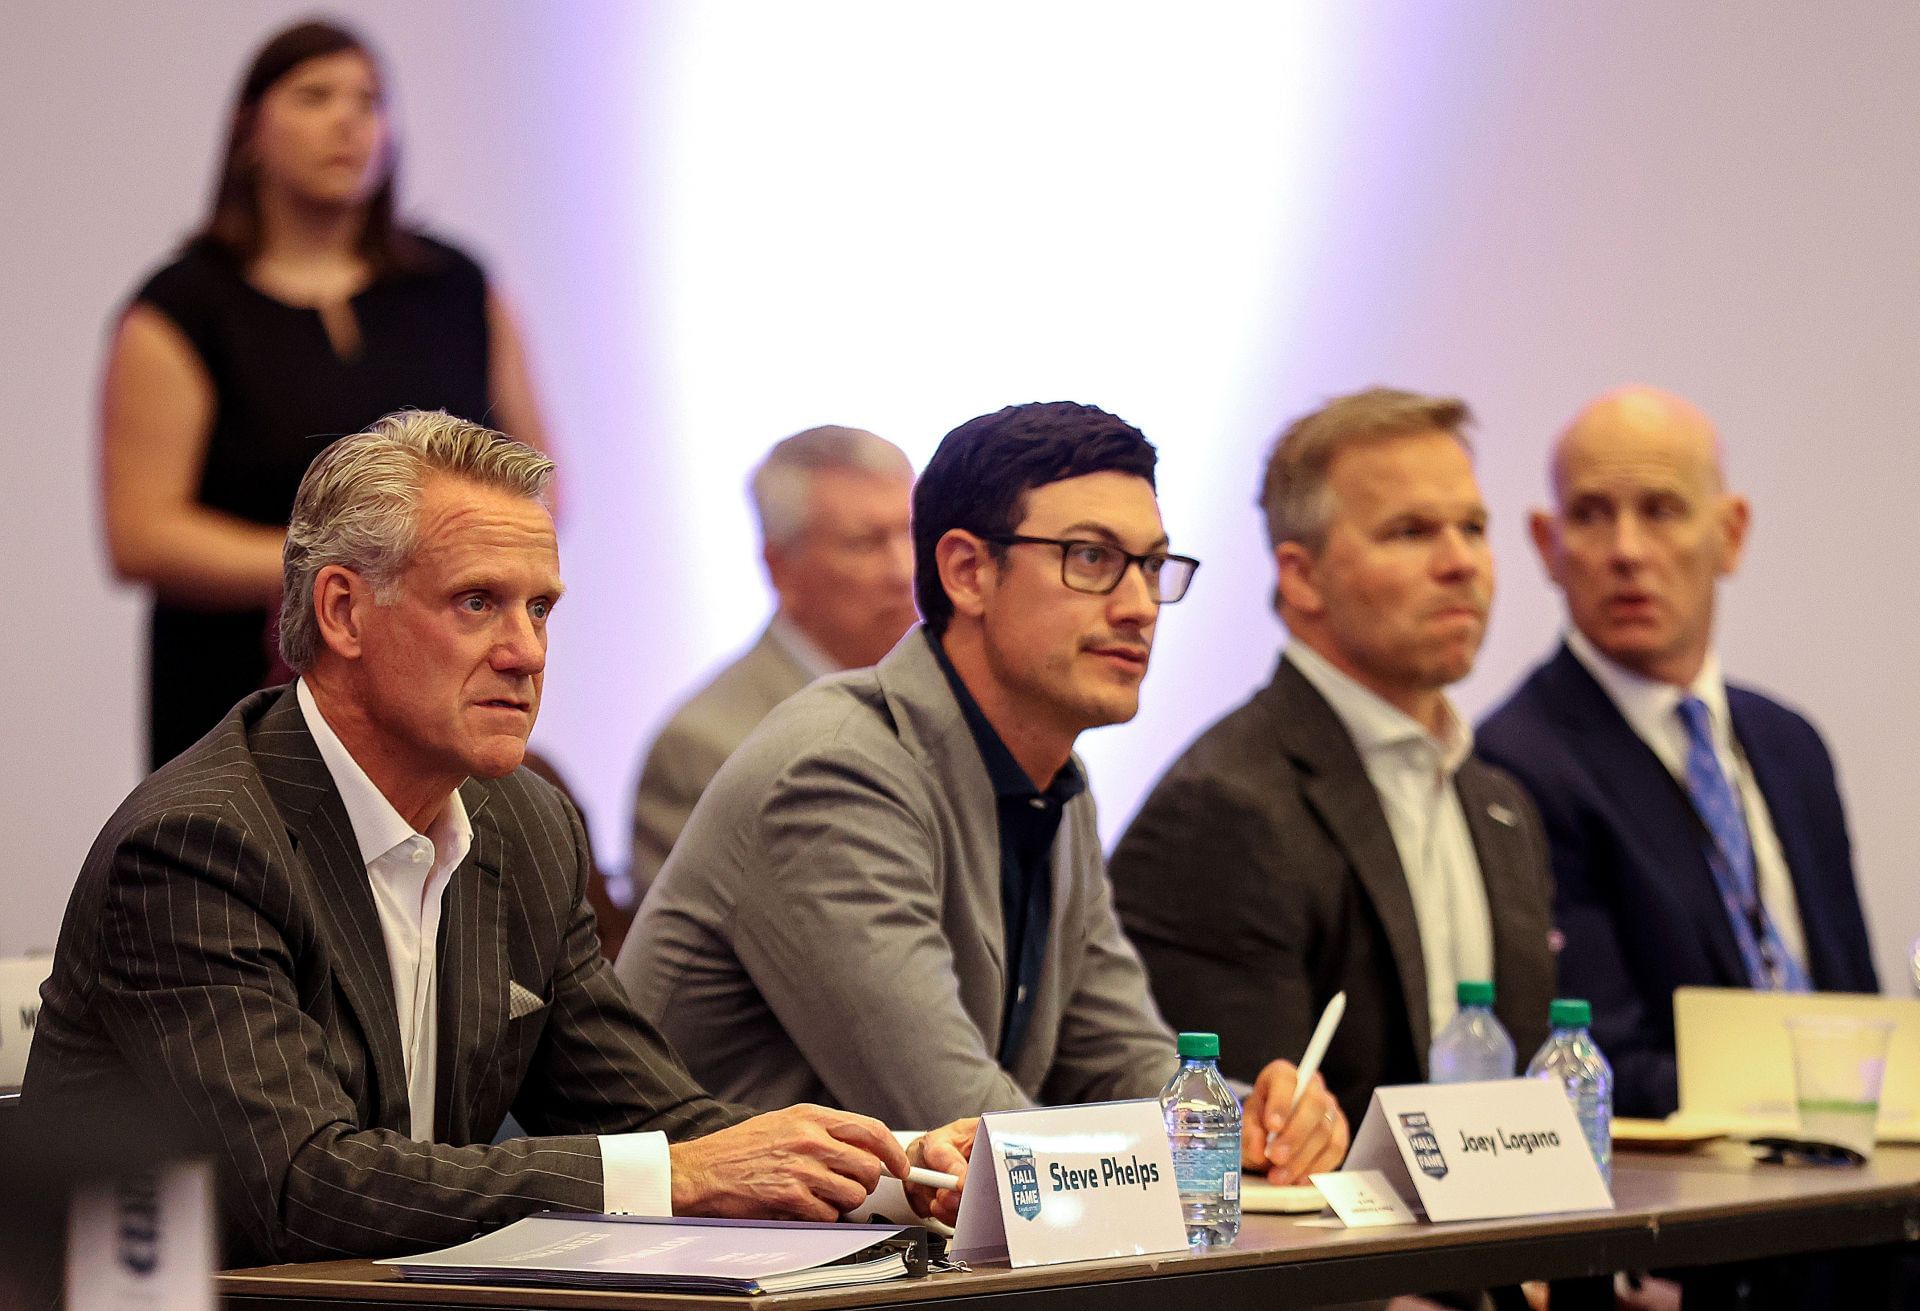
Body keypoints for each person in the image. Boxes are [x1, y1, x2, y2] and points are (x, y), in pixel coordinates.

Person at [26, 412, 965, 1266]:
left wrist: (889, 1167)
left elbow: (658, 1122)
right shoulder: (201, 845)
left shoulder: (525, 822)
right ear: (344, 611)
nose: (526, 651)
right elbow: (302, 1192)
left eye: (541, 607)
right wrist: (676, 1175)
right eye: (477, 602)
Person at [616, 401, 1348, 1185]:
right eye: (1092, 559)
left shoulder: (1052, 776)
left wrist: (1239, 1122)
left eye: (1151, 566)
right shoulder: (832, 772)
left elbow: (1115, 1052)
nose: (1138, 605)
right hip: (719, 1283)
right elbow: (963, 1121)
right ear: (968, 571)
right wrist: (1179, 1157)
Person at [100, 19, 552, 769]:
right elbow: (141, 532)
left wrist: (457, 580)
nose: (349, 121)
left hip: (439, 664)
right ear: (249, 130)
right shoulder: (181, 308)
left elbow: (536, 479)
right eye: (315, 97)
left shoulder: (459, 287)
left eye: (370, 101)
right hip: (239, 678)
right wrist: (350, 572)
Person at [1108, 388, 1555, 1131]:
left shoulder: (1500, 801)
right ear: (1302, 576)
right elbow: (1247, 1143)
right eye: (1410, 531)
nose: (1460, 563)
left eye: (1473, 528)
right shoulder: (1224, 807)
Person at [1478, 386, 1878, 1118]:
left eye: (1661, 510)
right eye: (1592, 515)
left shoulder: (1791, 744)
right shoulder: (1516, 763)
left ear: (1730, 533)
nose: (1628, 551)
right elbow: (1598, 1062)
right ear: (1548, 544)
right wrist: (1828, 1091)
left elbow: (1854, 1001)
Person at [628, 426, 915, 902]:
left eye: (910, 532)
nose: (904, 570)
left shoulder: (956, 705)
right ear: (781, 568)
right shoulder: (706, 749)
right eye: (866, 542)